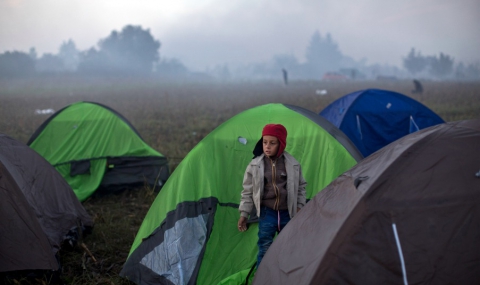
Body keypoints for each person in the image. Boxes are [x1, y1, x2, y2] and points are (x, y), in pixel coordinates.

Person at [237, 124, 307, 268]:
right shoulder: (255, 165)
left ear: (281, 144)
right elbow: (247, 191)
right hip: (267, 213)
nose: (267, 146)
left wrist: (300, 206)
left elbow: (301, 187)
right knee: (265, 246)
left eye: (272, 143)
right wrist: (244, 213)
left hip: (288, 213)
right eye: (264, 142)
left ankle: (286, 277)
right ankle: (262, 279)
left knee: (289, 246)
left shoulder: (292, 164)